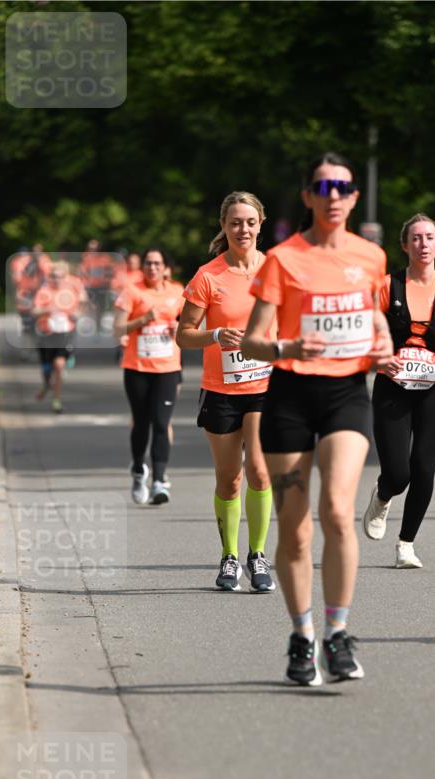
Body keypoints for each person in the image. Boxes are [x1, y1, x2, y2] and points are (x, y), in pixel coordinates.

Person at [242, 152, 394, 686]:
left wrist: (383, 348)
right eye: (323, 186)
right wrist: (286, 342)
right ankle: (302, 636)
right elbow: (254, 340)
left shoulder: (371, 257)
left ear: (354, 197)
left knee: (336, 509)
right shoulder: (283, 259)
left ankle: (338, 633)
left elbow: (374, 315)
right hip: (288, 393)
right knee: (296, 530)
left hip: (346, 393)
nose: (334, 195)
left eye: (343, 187)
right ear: (308, 195)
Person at [362, 214, 435, 565]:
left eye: (429, 238)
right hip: (393, 386)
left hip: (433, 386)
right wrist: (379, 360)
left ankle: (406, 544)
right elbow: (362, 334)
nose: (423, 244)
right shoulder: (386, 286)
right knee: (399, 472)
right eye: (416, 238)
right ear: (404, 245)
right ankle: (382, 496)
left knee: (425, 468)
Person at [178, 192, 276, 593]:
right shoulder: (208, 276)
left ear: (261, 224)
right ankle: (229, 557)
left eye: (250, 222)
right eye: (235, 222)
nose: (243, 229)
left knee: (259, 468)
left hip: (265, 387)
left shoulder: (276, 270)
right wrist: (216, 335)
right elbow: (183, 336)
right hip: (220, 389)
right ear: (223, 226)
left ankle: (257, 555)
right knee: (229, 479)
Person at [113, 247, 184, 505]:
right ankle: (138, 471)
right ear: (142, 266)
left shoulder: (177, 292)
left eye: (157, 264)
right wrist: (143, 319)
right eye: (148, 263)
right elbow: (117, 329)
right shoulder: (132, 292)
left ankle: (159, 480)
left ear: (165, 267)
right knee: (141, 422)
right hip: (137, 368)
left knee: (161, 422)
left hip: (168, 367)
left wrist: (179, 328)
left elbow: (190, 325)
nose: (152, 268)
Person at [32, 260, 87, 413]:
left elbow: (80, 309)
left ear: (65, 277)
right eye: (53, 276)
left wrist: (77, 314)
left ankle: (56, 400)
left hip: (64, 333)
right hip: (46, 333)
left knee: (59, 365)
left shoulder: (69, 293)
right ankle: (46, 385)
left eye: (60, 276)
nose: (56, 279)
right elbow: (34, 311)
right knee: (47, 369)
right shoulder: (44, 291)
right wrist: (46, 309)